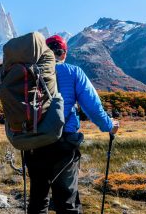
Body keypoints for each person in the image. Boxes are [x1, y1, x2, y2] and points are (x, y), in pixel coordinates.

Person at [24, 34, 120, 213]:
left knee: (38, 200)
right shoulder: (74, 72)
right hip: (63, 145)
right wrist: (109, 125)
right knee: (67, 201)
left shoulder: (31, 74)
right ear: (64, 54)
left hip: (34, 144)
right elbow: (93, 108)